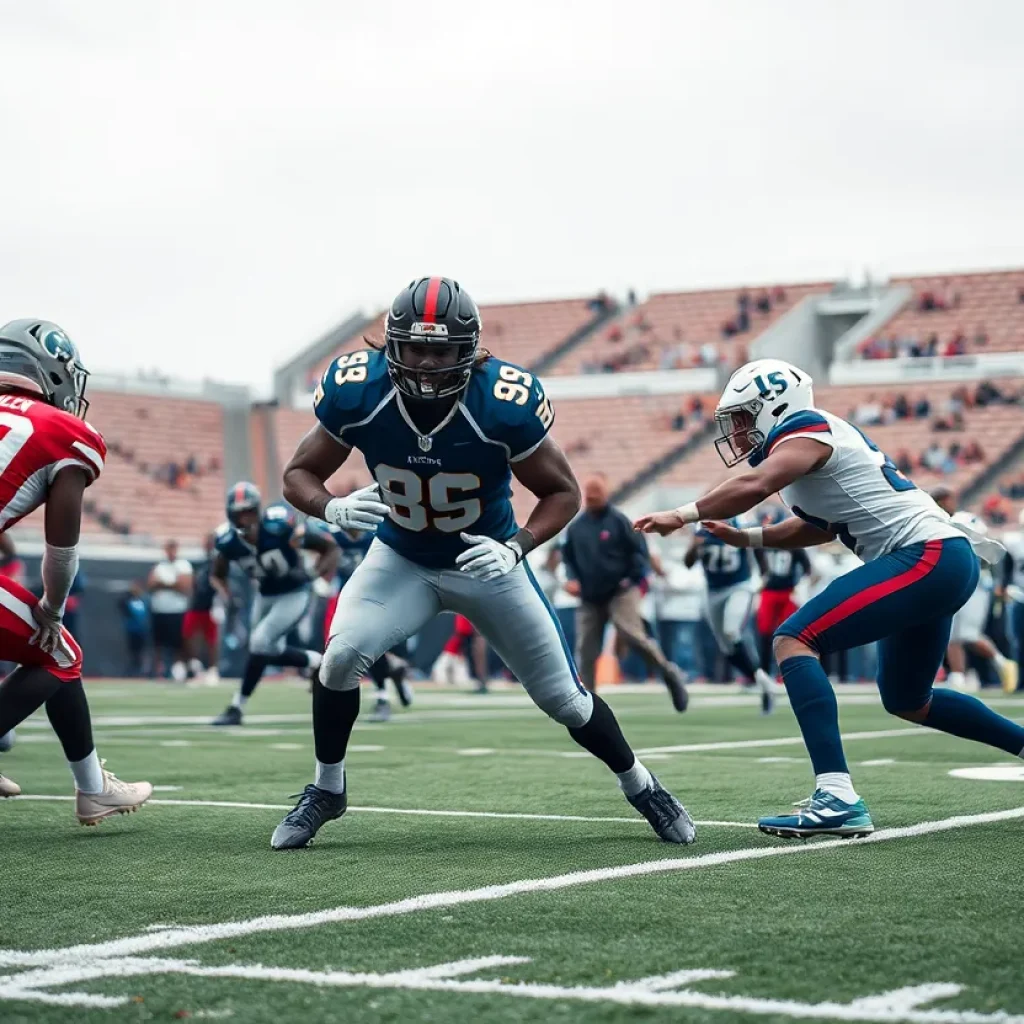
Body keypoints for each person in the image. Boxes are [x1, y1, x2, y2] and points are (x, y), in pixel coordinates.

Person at [270, 277, 694, 850]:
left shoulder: (502, 402)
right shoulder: (358, 391)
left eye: (440, 349)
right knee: (340, 658)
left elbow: (563, 492)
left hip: (486, 559)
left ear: (468, 349)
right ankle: (327, 789)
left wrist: (517, 545)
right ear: (392, 345)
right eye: (415, 348)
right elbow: (299, 475)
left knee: (564, 699)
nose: (425, 363)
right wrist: (332, 507)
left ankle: (641, 785)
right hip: (401, 555)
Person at [635, 356, 1023, 840]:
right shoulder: (810, 448)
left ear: (773, 406)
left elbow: (755, 485)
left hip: (926, 556)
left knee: (795, 639)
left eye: (740, 419)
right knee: (908, 700)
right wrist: (749, 540)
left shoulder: (806, 428)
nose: (736, 434)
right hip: (939, 561)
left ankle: (836, 795)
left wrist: (683, 513)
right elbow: (820, 527)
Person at [0, 319, 151, 820]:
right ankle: (92, 789)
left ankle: (92, 788)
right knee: (58, 654)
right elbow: (61, 550)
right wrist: (53, 608)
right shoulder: (63, 430)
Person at [210, 484, 338, 726]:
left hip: (293, 593)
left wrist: (313, 574)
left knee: (259, 643)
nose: (243, 518)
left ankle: (237, 706)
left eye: (247, 511)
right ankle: (315, 662)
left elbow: (329, 547)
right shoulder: (228, 540)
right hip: (265, 596)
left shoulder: (278, 527)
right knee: (264, 650)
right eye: (238, 513)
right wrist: (226, 594)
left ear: (257, 510)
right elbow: (217, 573)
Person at [562, 474, 688, 711]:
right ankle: (590, 705)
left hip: (621, 589)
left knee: (631, 633)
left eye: (596, 492)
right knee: (585, 649)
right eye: (588, 493)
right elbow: (568, 559)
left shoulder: (620, 521)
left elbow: (640, 555)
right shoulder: (577, 527)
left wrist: (631, 580)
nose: (592, 497)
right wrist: (571, 580)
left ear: (606, 493)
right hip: (590, 595)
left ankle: (669, 673)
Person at [315, 519, 412, 721]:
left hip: (379, 597)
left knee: (370, 647)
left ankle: (382, 697)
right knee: (350, 647)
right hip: (349, 600)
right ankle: (392, 672)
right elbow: (308, 540)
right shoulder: (334, 536)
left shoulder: (376, 535)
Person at [684, 519, 778, 712]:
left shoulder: (739, 525)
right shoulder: (701, 530)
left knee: (731, 630)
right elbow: (687, 563)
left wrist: (763, 578)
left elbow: (759, 552)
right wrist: (694, 546)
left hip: (738, 587)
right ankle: (759, 678)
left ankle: (760, 677)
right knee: (726, 646)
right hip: (713, 592)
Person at [942, 510, 1017, 693]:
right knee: (951, 635)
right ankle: (958, 677)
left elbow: (994, 567)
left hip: (977, 589)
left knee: (969, 635)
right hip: (958, 587)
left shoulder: (984, 550)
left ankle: (1003, 663)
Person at [148, 540, 192, 681]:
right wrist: (172, 584)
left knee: (179, 642)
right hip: (160, 610)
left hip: (177, 610)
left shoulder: (183, 565)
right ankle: (159, 670)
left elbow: (184, 586)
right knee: (159, 642)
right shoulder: (160, 566)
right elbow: (151, 584)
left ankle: (178, 669)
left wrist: (163, 583)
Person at [183, 532, 220, 682]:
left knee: (211, 640)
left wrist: (220, 601)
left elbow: (222, 582)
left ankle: (213, 669)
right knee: (189, 634)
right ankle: (194, 666)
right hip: (196, 605)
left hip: (211, 605)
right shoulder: (201, 563)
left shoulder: (219, 560)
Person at [120, 581, 150, 677]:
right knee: (132, 651)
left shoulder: (144, 601)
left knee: (143, 651)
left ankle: (144, 670)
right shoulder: (127, 601)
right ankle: (132, 670)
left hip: (142, 630)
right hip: (132, 630)